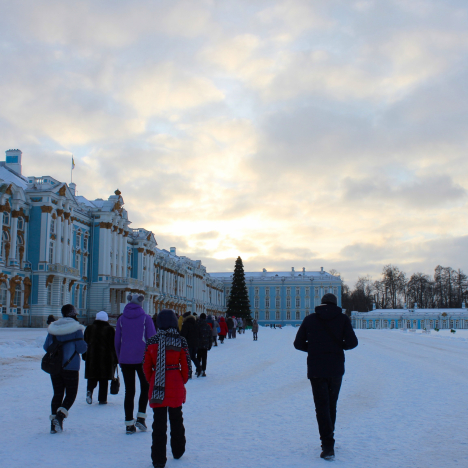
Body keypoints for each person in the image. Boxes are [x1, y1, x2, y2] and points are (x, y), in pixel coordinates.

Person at [293, 293, 358, 460]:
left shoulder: (310, 319)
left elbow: (298, 344)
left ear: (321, 303)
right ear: (335, 304)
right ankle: (330, 440)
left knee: (321, 406)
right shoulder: (342, 319)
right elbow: (352, 343)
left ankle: (327, 445)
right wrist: (337, 347)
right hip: (335, 368)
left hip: (316, 369)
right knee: (331, 404)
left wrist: (315, 349)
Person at [143, 309, 191, 468]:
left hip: (158, 383)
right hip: (175, 382)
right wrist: (181, 379)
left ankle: (158, 459)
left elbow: (146, 367)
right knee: (176, 418)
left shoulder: (151, 341)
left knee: (158, 423)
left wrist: (153, 379)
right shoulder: (180, 341)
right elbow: (186, 366)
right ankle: (178, 450)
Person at [115, 293, 156, 434]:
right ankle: (141, 417)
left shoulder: (121, 319)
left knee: (129, 391)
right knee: (145, 387)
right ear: (140, 303)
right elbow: (152, 340)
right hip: (143, 359)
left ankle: (128, 424)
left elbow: (117, 342)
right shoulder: (146, 318)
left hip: (125, 359)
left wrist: (120, 357)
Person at [43, 304, 87, 434]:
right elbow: (81, 348)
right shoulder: (76, 328)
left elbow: (46, 347)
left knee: (57, 394)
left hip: (55, 366)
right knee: (71, 394)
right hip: (71, 366)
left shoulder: (54, 327)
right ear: (73, 314)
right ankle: (60, 416)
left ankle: (54, 425)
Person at [83, 311, 117, 405]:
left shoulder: (89, 328)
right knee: (104, 380)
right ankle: (102, 399)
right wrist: (115, 358)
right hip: (106, 358)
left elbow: (85, 342)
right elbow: (114, 345)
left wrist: (85, 355)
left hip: (92, 357)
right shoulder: (110, 329)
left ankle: (90, 391)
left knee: (92, 376)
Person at [180, 311, 202, 377]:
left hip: (188, 344)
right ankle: (199, 368)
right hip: (195, 344)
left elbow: (183, 335)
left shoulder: (186, 325)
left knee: (187, 358)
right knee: (193, 357)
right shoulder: (196, 325)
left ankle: (189, 372)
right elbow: (199, 334)